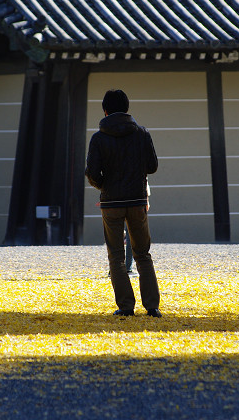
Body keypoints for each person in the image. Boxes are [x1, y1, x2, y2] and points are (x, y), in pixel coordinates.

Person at [86, 89, 161, 317]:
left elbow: (91, 172)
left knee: (116, 255)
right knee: (143, 253)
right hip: (137, 200)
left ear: (105, 111)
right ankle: (152, 306)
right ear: (127, 109)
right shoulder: (142, 133)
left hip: (111, 203)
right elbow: (152, 166)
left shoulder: (98, 138)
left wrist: (104, 186)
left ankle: (126, 306)